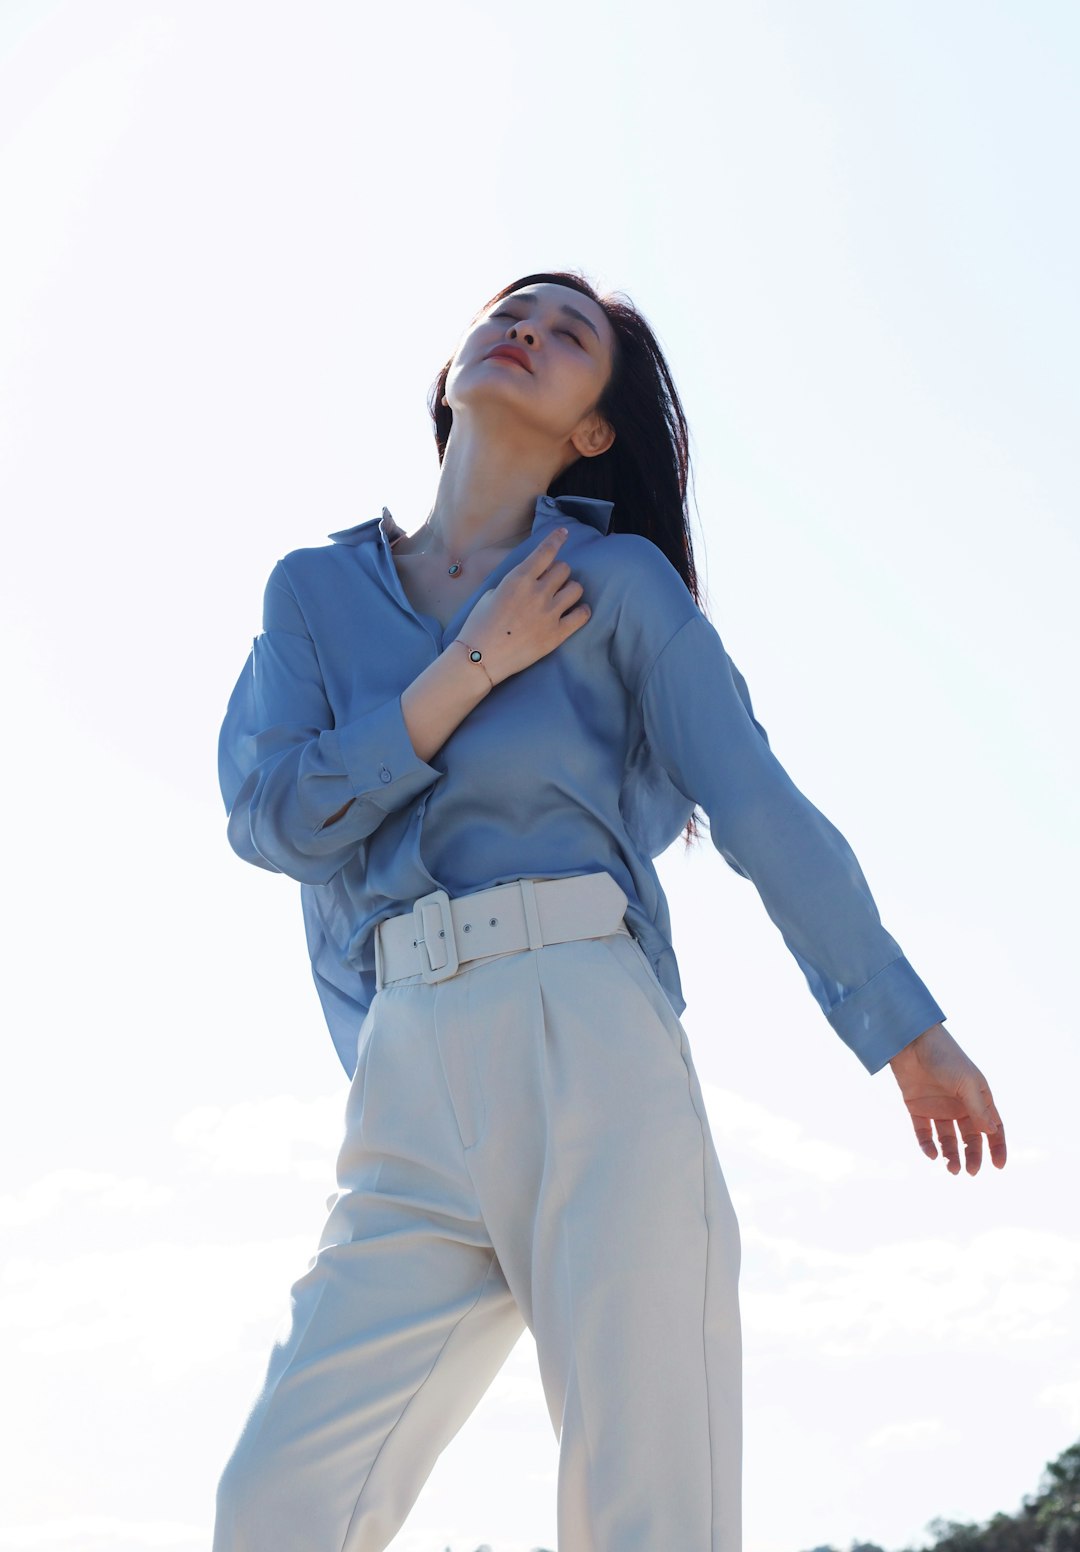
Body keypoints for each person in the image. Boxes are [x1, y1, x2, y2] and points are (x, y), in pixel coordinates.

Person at [212, 270, 1007, 1552]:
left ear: (595, 432)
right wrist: (473, 665)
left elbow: (760, 806)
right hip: (408, 1072)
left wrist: (904, 1025)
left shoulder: (618, 583)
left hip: (588, 1036)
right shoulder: (311, 595)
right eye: (507, 312)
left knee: (648, 1512)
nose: (523, 328)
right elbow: (276, 819)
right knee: (277, 1504)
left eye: (567, 332)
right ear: (450, 370)